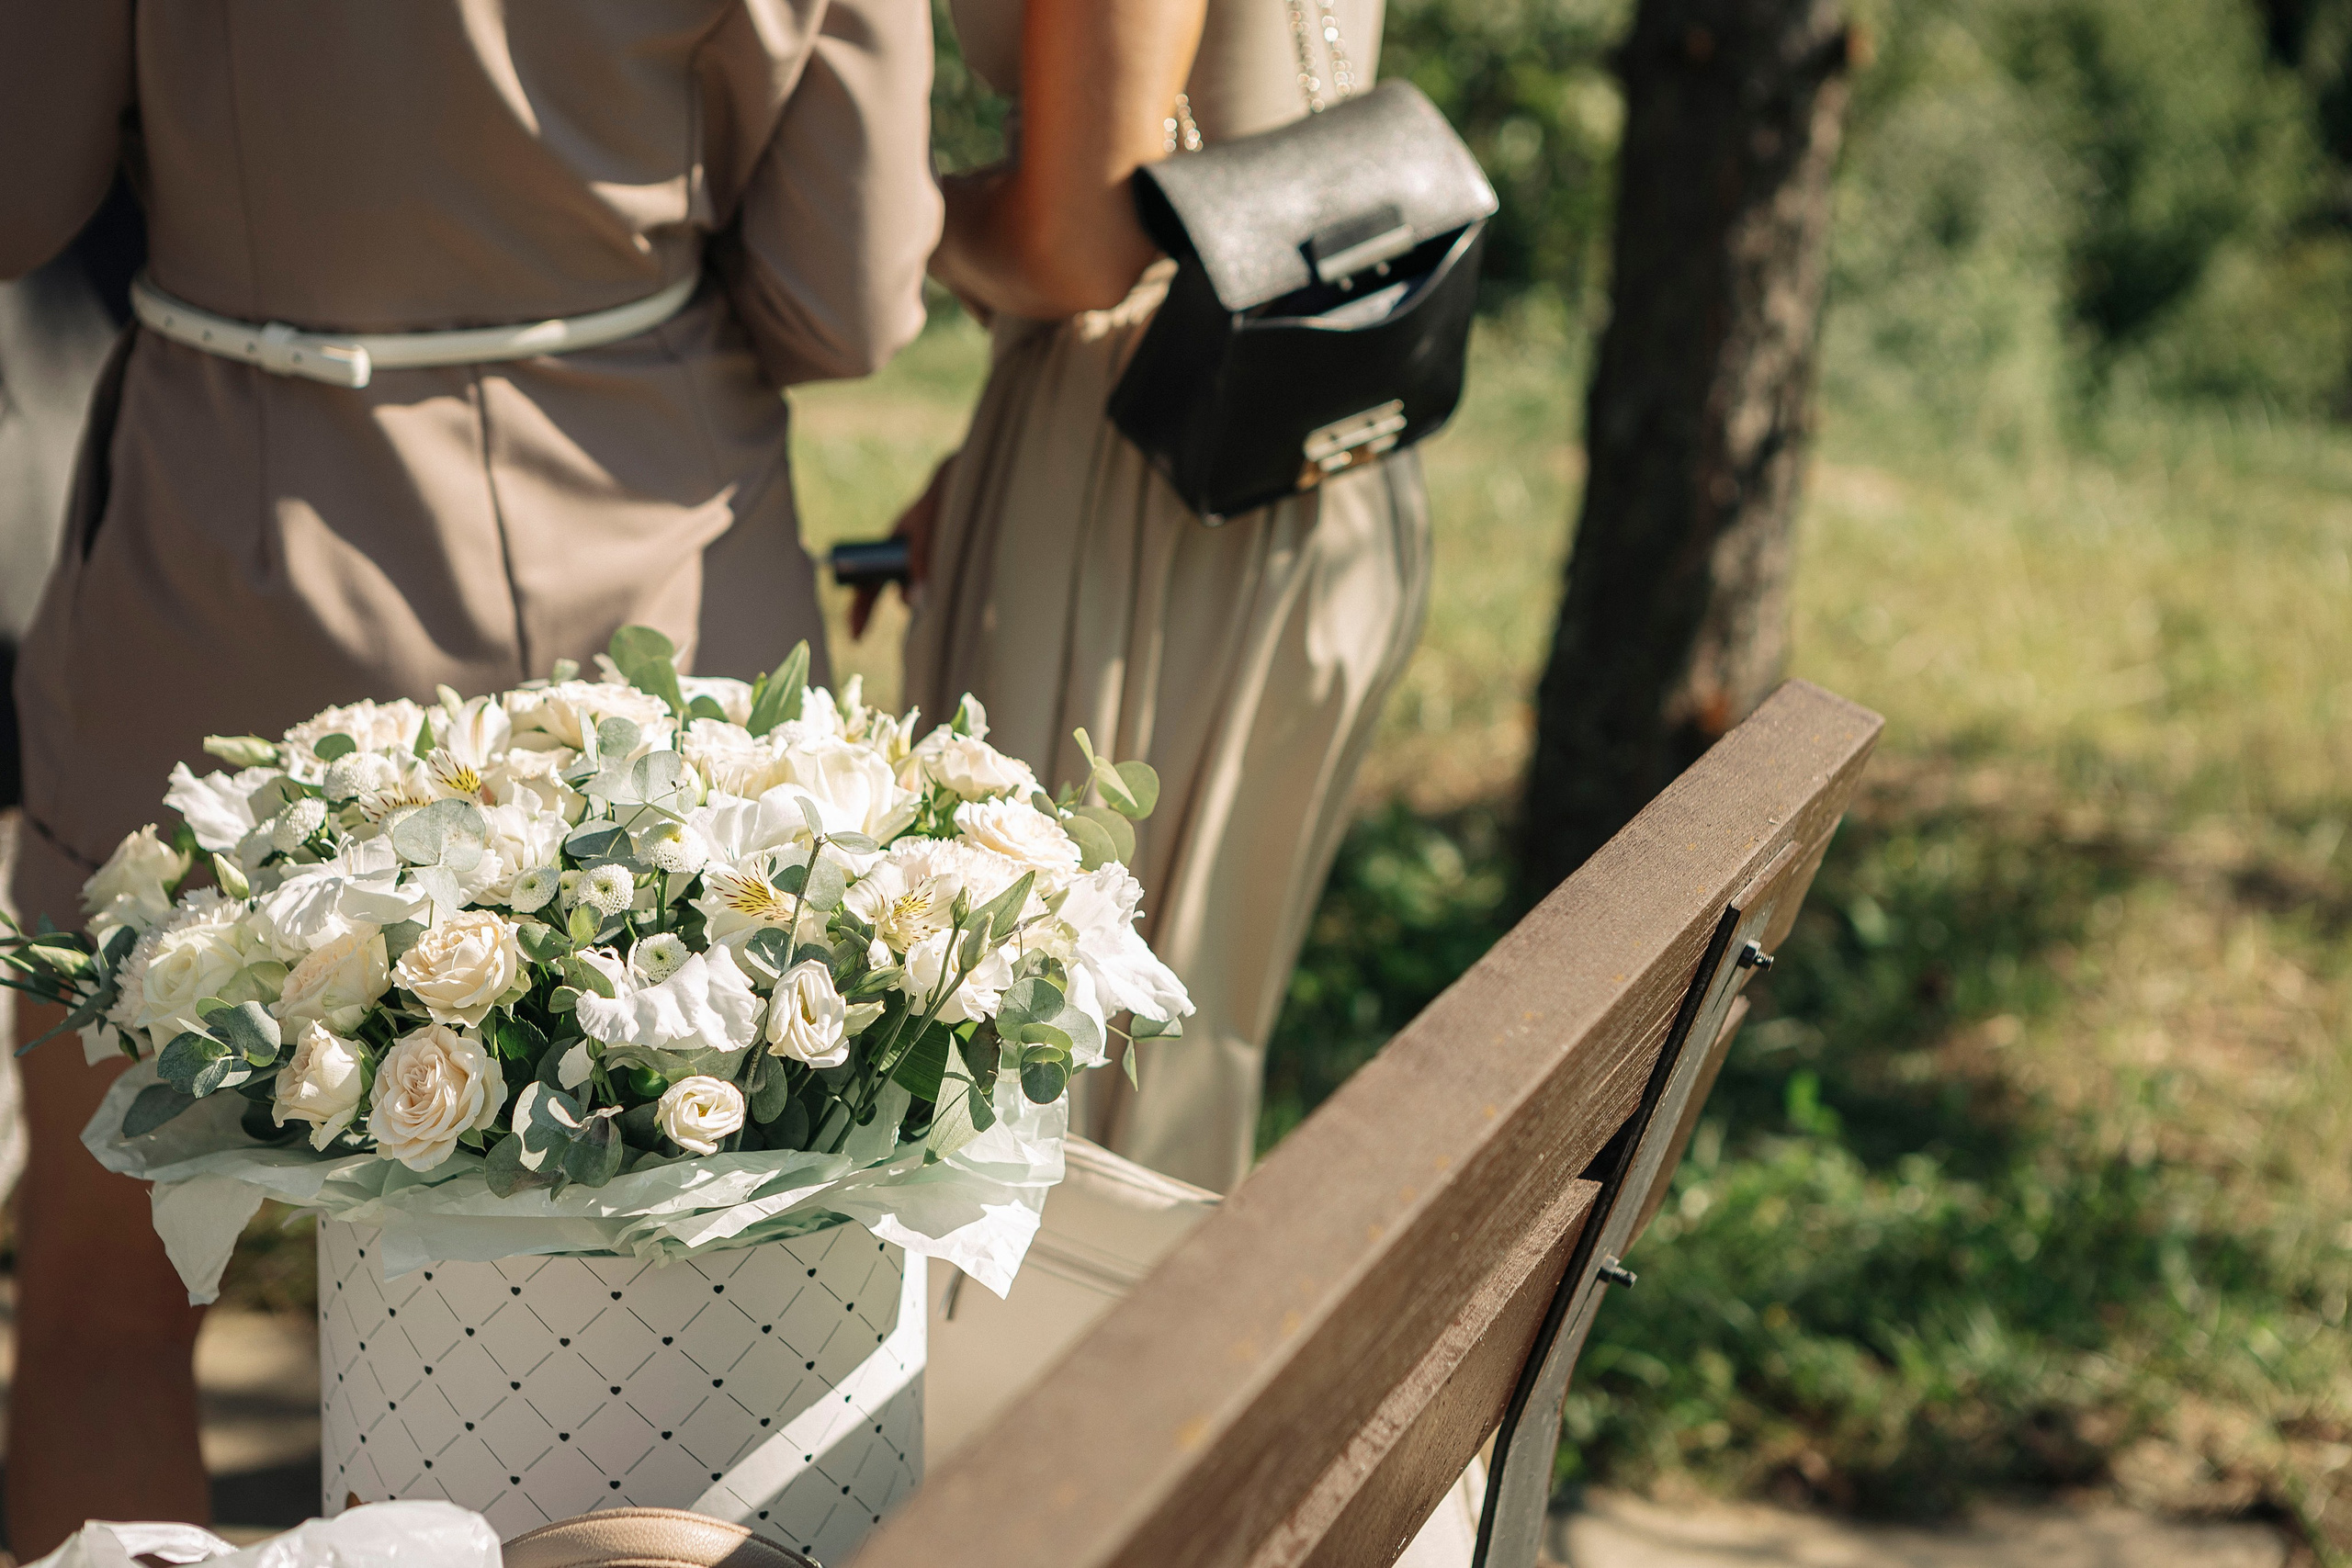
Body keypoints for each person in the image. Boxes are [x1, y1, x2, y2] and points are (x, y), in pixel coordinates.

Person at [0, 3, 939, 1550]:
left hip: (230, 554)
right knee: (672, 1291)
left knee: (115, 1289)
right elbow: (847, 302)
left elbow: (18, 188)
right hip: (650, 559)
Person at [871, 0, 1430, 1193]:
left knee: (1020, 1048)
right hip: (1303, 426)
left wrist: (878, 198)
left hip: (1141, 476)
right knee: (1172, 1048)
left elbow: (1081, 243)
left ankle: (1046, 1375)